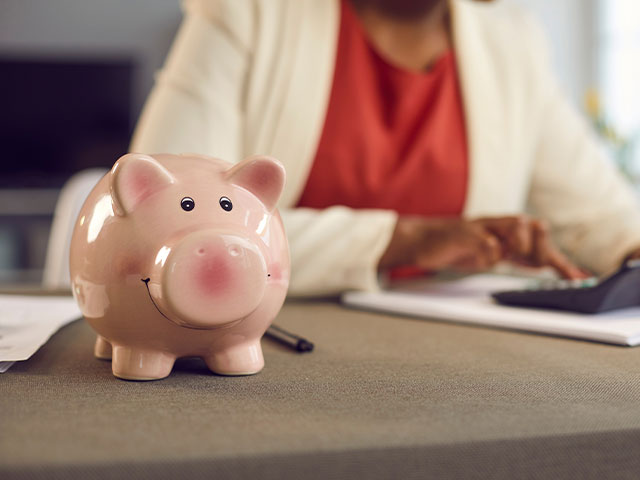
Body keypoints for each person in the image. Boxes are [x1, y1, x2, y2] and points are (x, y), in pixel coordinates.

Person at [130, 0, 640, 296]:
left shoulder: (511, 41)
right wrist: (404, 239)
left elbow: (604, 216)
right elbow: (164, 223)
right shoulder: (249, 14)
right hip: (277, 344)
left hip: (462, 364)